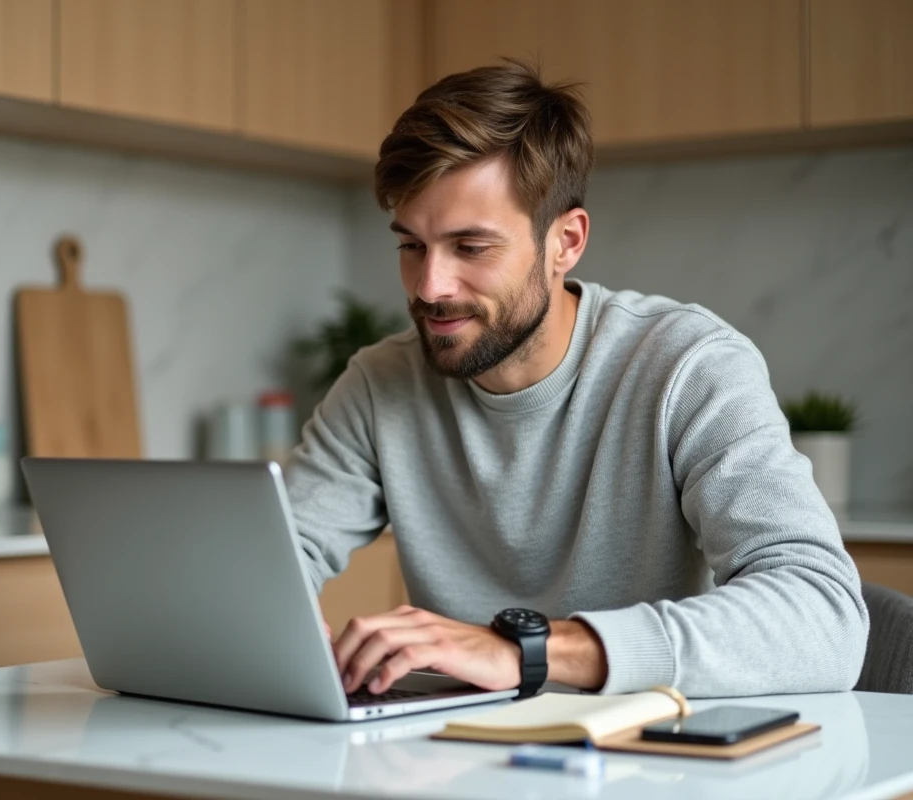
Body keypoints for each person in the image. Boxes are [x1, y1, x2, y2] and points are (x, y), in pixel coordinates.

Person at [283, 59, 868, 699]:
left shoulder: (688, 365)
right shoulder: (381, 383)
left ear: (566, 241)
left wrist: (527, 652)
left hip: (655, 766)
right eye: (411, 246)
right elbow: (276, 555)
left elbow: (823, 617)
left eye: (470, 248)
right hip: (454, 763)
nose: (430, 287)